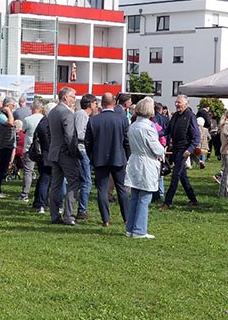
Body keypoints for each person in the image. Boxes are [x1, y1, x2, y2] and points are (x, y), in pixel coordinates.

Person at [85, 92, 130, 228]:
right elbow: (127, 141)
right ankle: (127, 218)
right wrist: (127, 157)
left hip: (99, 159)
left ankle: (106, 219)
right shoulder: (122, 119)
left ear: (102, 104)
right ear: (114, 103)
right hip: (118, 158)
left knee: (102, 189)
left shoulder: (93, 120)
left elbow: (88, 142)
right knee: (121, 188)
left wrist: (91, 156)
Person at [126, 97, 165, 239]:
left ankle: (130, 228)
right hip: (146, 162)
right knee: (145, 197)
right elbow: (157, 148)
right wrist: (163, 150)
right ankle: (140, 229)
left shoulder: (133, 125)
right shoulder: (148, 128)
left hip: (135, 160)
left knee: (135, 196)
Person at [47, 87, 82, 226]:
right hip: (65, 153)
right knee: (73, 182)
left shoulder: (53, 112)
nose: (75, 99)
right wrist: (74, 152)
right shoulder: (66, 112)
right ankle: (69, 216)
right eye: (73, 96)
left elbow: (48, 132)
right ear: (65, 98)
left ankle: (54, 215)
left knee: (56, 184)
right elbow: (69, 136)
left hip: (54, 151)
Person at [161, 94, 200, 209]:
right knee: (183, 176)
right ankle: (193, 200)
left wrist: (190, 149)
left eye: (179, 102)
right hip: (176, 148)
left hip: (184, 150)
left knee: (175, 175)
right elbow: (167, 130)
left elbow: (196, 136)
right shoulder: (175, 116)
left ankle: (167, 202)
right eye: (176, 102)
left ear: (186, 104)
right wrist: (154, 133)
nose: (177, 104)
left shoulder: (190, 116)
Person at [0, 97, 18, 198]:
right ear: (7, 105)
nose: (13, 108)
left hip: (6, 144)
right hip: (2, 145)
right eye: (12, 106)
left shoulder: (3, 114)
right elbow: (10, 123)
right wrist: (9, 112)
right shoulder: (1, 115)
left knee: (4, 168)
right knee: (1, 169)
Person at [19, 101, 45, 201]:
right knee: (42, 173)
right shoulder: (44, 119)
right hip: (41, 149)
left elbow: (24, 130)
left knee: (28, 172)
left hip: (29, 148)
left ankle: (25, 194)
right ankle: (40, 194)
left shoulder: (27, 119)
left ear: (33, 108)